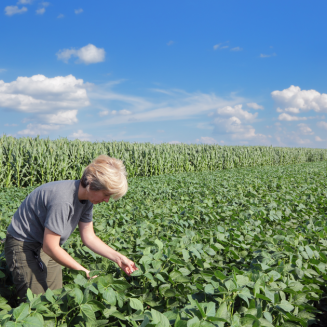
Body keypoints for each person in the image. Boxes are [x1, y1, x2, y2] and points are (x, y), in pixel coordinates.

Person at [4, 155, 137, 302]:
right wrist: (84, 272)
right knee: (36, 301)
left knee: (56, 298)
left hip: (48, 244)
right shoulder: (63, 199)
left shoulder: (87, 200)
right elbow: (50, 247)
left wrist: (119, 258)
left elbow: (89, 237)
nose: (106, 200)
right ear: (92, 184)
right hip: (24, 245)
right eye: (106, 194)